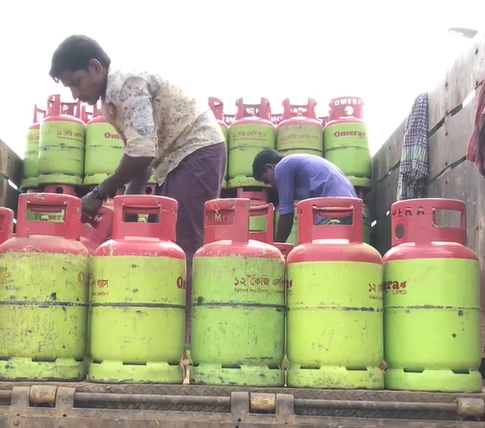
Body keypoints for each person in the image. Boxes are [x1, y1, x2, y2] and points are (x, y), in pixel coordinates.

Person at [48, 34, 226, 343]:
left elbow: (142, 154)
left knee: (183, 243)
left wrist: (101, 191)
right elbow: (141, 160)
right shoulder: (110, 100)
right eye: (70, 88)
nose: (75, 94)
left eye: (76, 83)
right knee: (170, 242)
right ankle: (172, 332)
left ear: (95, 68)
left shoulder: (126, 83)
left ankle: (188, 340)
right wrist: (125, 206)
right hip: (174, 159)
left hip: (195, 151)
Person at [252, 149, 357, 243]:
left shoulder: (281, 167)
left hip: (333, 207)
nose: (272, 185)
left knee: (324, 255)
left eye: (267, 180)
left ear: (269, 167)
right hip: (352, 206)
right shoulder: (297, 162)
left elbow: (286, 212)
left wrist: (278, 247)